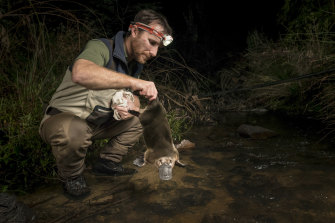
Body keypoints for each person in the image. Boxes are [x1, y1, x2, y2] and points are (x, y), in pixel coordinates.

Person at [39, 9, 173, 197]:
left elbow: (130, 94)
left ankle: (107, 162)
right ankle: (72, 177)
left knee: (143, 119)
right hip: (62, 120)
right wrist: (135, 82)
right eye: (152, 43)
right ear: (134, 31)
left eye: (158, 46)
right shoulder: (100, 47)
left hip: (96, 123)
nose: (154, 52)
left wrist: (131, 105)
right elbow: (81, 73)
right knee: (76, 130)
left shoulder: (134, 64)